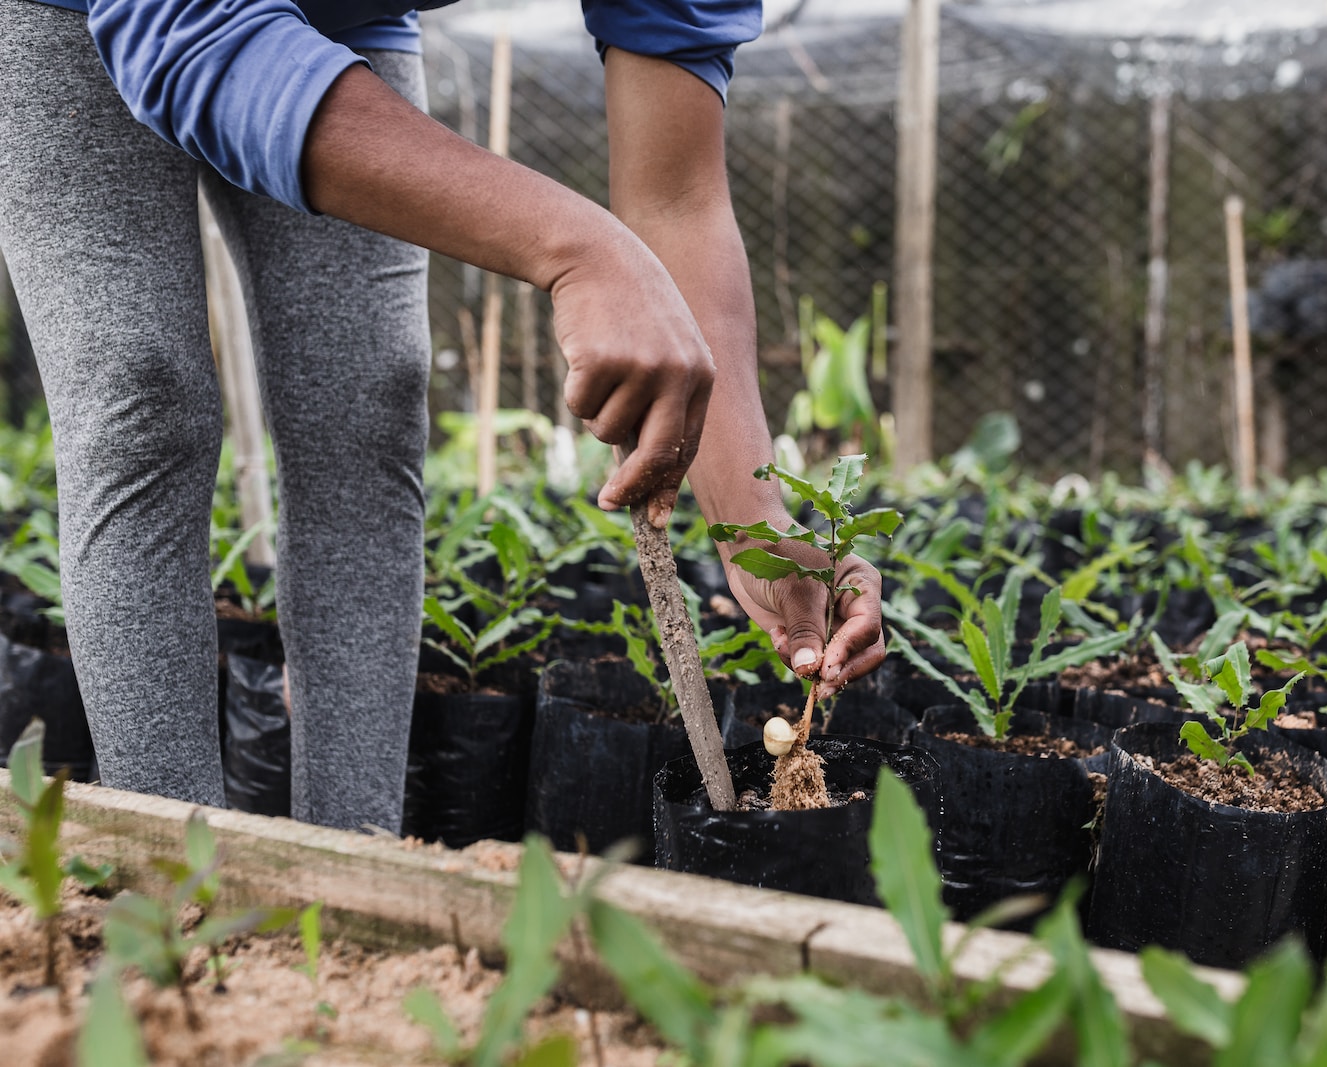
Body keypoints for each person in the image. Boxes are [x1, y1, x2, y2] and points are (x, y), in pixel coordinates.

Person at [0, 0, 887, 832]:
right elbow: (189, 31)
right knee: (142, 403)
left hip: (345, 18)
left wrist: (757, 526)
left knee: (371, 400)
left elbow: (676, 198)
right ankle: (166, 898)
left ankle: (355, 868)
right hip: (78, 14)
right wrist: (575, 247)